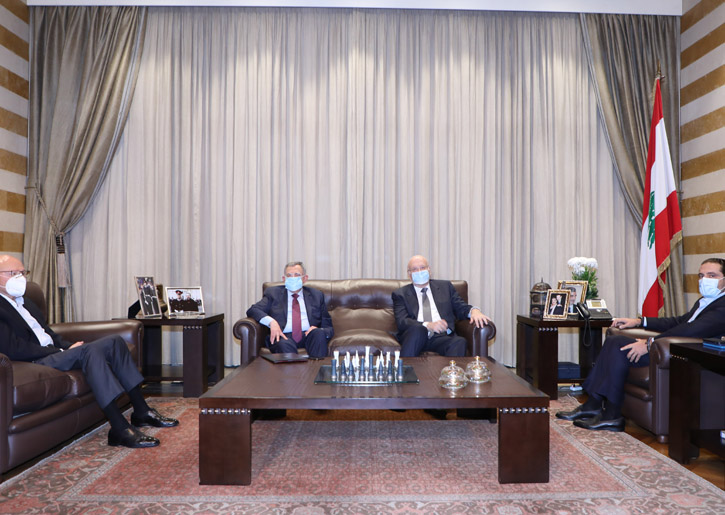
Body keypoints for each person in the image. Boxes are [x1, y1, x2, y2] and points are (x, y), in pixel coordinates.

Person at [0, 255, 178, 448]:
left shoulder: (26, 302)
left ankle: (142, 411)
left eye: (22, 273)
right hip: (36, 360)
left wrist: (68, 346)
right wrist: (59, 350)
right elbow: (13, 348)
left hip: (55, 353)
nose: (20, 278)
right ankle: (119, 428)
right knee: (90, 352)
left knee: (115, 342)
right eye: (12, 273)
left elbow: (48, 333)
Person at [557, 257, 725, 432]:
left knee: (617, 346)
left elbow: (691, 331)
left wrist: (650, 343)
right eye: (701, 275)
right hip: (667, 347)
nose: (704, 280)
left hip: (680, 355)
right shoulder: (704, 301)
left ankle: (609, 413)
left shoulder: (722, 306)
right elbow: (677, 322)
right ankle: (595, 405)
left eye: (712, 275)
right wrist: (639, 321)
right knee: (614, 341)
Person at [392, 255, 491, 357]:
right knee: (419, 330)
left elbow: (460, 307)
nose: (419, 271)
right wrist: (428, 325)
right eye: (415, 269)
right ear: (409, 275)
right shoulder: (400, 294)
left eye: (422, 267)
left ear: (429, 270)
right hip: (416, 336)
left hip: (441, 336)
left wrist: (474, 311)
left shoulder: (445, 287)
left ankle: (451, 368)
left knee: (459, 342)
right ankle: (404, 367)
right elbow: (402, 321)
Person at [246, 261, 333, 358]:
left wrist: (320, 330)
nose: (293, 278)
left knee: (318, 334)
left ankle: (317, 367)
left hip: (308, 335)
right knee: (284, 344)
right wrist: (271, 322)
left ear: (305, 278)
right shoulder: (273, 293)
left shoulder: (316, 295)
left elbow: (328, 326)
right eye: (289, 275)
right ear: (284, 279)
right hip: (283, 336)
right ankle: (295, 368)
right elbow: (253, 310)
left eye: (297, 275)